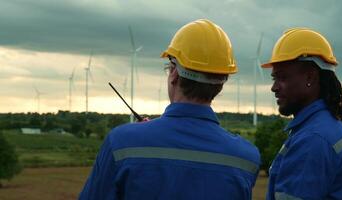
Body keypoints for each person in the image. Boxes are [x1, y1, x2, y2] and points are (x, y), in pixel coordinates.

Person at [79, 19, 260, 200]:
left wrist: (141, 135)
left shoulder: (121, 144)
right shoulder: (246, 159)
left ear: (174, 72)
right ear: (221, 84)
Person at [261, 28, 342, 199]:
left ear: (310, 78)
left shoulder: (313, 139)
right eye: (274, 78)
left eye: (282, 77)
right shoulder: (328, 127)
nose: (274, 87)